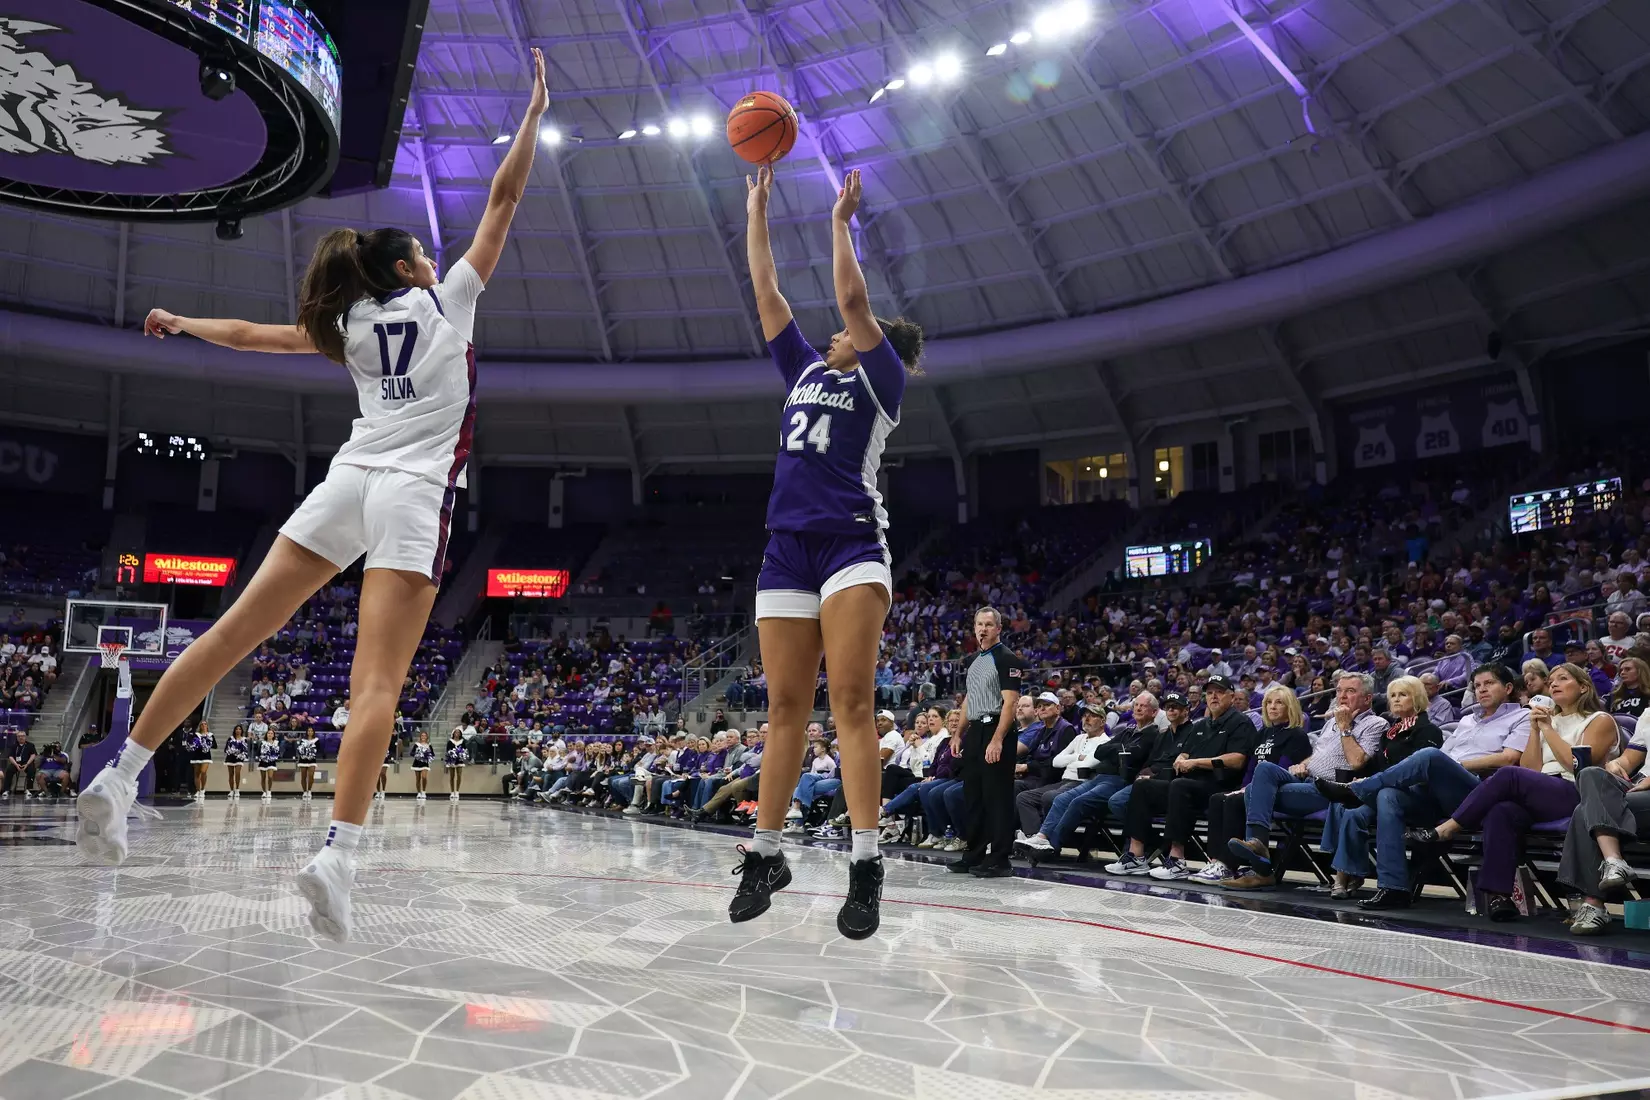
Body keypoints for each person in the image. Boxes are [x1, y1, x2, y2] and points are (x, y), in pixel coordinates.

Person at [77, 49, 551, 945]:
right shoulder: (449, 300)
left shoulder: (351, 322)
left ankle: (118, 773)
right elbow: (505, 198)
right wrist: (531, 114)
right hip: (412, 494)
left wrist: (180, 321)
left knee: (227, 635)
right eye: (424, 251)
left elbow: (251, 335)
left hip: (347, 481)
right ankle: (337, 854)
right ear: (410, 268)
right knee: (378, 683)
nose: (436, 256)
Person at [730, 165, 925, 940]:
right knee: (783, 707)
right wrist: (757, 209)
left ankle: (866, 865)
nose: (837, 332)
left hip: (851, 545)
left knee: (849, 702)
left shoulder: (881, 380)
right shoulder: (805, 370)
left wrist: (840, 223)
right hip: (786, 549)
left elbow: (851, 301)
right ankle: (766, 853)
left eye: (850, 332)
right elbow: (767, 292)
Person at [1404, 663, 1619, 921]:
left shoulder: (1599, 720)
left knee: (1508, 774)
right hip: (1539, 791)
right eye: (1551, 680)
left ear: (1583, 687)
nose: (1554, 684)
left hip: (1576, 792)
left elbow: (1576, 766)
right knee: (1500, 811)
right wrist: (1536, 730)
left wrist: (1547, 729)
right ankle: (1499, 897)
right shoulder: (1546, 720)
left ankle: (1448, 828)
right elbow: (1531, 769)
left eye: (1563, 678)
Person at [1313, 662, 1530, 899]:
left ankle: (1358, 789)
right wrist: (1441, 766)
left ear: (1508, 687)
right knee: (1388, 795)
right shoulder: (1467, 720)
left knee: (1429, 756)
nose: (1482, 689)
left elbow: (1509, 758)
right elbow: (1444, 755)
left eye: (1489, 683)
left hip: (1479, 791)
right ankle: (1392, 888)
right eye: (1477, 686)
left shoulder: (1522, 716)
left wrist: (1453, 766)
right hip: (1436, 791)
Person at [1221, 672, 1387, 888]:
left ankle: (1261, 869)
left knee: (1253, 791)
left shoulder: (1376, 723)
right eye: (1339, 691)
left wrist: (1345, 727)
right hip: (1307, 779)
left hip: (1332, 790)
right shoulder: (1331, 722)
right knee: (1264, 770)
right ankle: (1258, 846)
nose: (1342, 696)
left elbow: (1357, 761)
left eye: (1350, 691)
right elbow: (1319, 755)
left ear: (1367, 698)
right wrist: (1304, 764)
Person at [1108, 676, 1254, 880]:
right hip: (1191, 783)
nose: (1214, 696)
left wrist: (1196, 762)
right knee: (1143, 786)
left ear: (1231, 696)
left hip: (1219, 784)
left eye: (1219, 692)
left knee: (1179, 786)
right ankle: (1136, 856)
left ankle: (1177, 860)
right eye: (1210, 692)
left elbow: (1237, 760)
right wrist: (1182, 758)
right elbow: (1186, 752)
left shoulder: (1240, 722)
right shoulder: (1201, 725)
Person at [1319, 675, 1445, 906]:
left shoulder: (1429, 731)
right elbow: (1381, 768)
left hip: (1420, 799)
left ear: (1417, 698)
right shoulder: (1390, 734)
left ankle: (1393, 887)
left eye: (1403, 695)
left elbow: (1422, 776)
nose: (1396, 699)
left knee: (1383, 795)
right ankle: (1350, 875)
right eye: (1393, 695)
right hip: (1387, 795)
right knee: (1352, 812)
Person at [940, 609, 1028, 878]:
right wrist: (958, 733)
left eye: (989, 624)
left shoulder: (1007, 658)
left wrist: (998, 739)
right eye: (979, 624)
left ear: (999, 628)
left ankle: (1000, 859)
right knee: (974, 796)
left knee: (997, 797)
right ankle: (974, 854)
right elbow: (970, 700)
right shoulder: (974, 660)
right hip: (976, 730)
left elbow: (1011, 703)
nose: (983, 629)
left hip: (997, 729)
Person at [1195, 686, 1311, 885]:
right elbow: (1251, 767)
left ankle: (1229, 864)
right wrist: (1242, 787)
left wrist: (1247, 790)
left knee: (1234, 802)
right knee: (1218, 798)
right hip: (1254, 788)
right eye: (1269, 702)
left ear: (1290, 706)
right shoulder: (1263, 733)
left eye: (1279, 702)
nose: (1272, 707)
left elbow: (1282, 769)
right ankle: (1215, 861)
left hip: (1277, 791)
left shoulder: (1296, 735)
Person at [1559, 730, 1649, 934]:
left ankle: (1594, 903)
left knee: (1583, 810)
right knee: (1589, 773)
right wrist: (1615, 764)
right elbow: (1629, 759)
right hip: (1637, 786)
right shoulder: (1647, 716)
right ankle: (1613, 861)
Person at [188, 721, 215, 803]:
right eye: (202, 724)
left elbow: (215, 745)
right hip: (196, 755)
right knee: (196, 773)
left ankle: (203, 789)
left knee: (203, 771)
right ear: (199, 726)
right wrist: (195, 744)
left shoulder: (210, 735)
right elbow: (191, 744)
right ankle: (198, 790)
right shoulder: (195, 735)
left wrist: (208, 743)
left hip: (206, 756)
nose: (203, 726)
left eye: (205, 724)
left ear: (207, 726)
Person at [223, 724, 248, 800]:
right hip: (230, 758)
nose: (238, 730)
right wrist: (231, 751)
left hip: (239, 758)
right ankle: (231, 790)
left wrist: (241, 754)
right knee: (231, 774)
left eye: (239, 729)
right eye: (236, 729)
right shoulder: (230, 738)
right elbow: (226, 749)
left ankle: (237, 789)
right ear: (234, 730)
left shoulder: (244, 739)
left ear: (241, 731)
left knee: (237, 773)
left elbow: (245, 749)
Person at [295, 729, 321, 802]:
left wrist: (311, 752)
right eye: (309, 731)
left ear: (313, 732)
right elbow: (299, 749)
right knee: (303, 776)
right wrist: (303, 753)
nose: (310, 732)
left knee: (311, 775)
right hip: (303, 759)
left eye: (311, 731)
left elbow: (318, 749)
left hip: (312, 759)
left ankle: (309, 791)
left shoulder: (316, 740)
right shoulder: (303, 740)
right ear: (306, 732)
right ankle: (304, 792)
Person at [256, 728, 281, 801]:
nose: (270, 734)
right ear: (266, 735)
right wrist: (260, 757)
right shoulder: (262, 742)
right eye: (268, 733)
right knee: (263, 778)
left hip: (271, 762)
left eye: (271, 733)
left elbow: (278, 752)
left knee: (270, 777)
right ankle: (264, 792)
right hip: (263, 761)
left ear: (273, 735)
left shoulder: (276, 743)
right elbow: (258, 752)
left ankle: (269, 791)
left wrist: (274, 756)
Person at [410, 730, 435, 801]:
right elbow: (411, 753)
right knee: (418, 779)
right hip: (417, 763)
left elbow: (433, 754)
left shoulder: (429, 745)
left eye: (425, 735)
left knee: (424, 777)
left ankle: (424, 792)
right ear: (420, 737)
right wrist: (418, 754)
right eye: (422, 735)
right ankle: (419, 792)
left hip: (425, 763)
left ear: (427, 737)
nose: (423, 737)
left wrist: (428, 756)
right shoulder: (417, 744)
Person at [444, 727, 468, 801]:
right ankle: (452, 792)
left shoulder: (462, 741)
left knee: (459, 775)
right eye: (455, 732)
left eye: (458, 732)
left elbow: (465, 750)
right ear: (453, 733)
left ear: (460, 734)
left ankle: (457, 792)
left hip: (459, 760)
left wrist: (461, 754)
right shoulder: (450, 742)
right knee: (452, 776)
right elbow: (448, 751)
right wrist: (452, 754)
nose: (457, 734)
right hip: (452, 760)